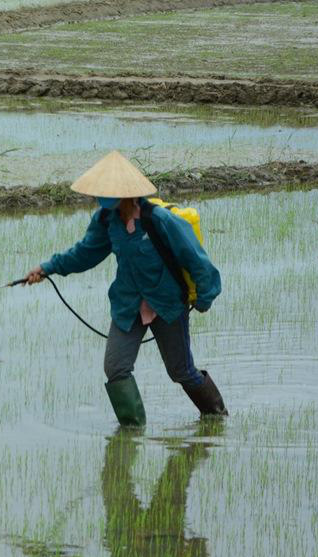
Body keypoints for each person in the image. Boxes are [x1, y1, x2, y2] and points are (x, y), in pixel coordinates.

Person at [24, 151, 227, 426]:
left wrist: (204, 297)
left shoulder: (161, 221)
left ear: (129, 194)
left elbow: (197, 260)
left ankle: (216, 417)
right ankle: (131, 432)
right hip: (128, 303)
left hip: (167, 304)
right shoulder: (106, 221)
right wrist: (48, 267)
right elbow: (85, 253)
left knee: (181, 371)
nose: (102, 200)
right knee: (116, 368)